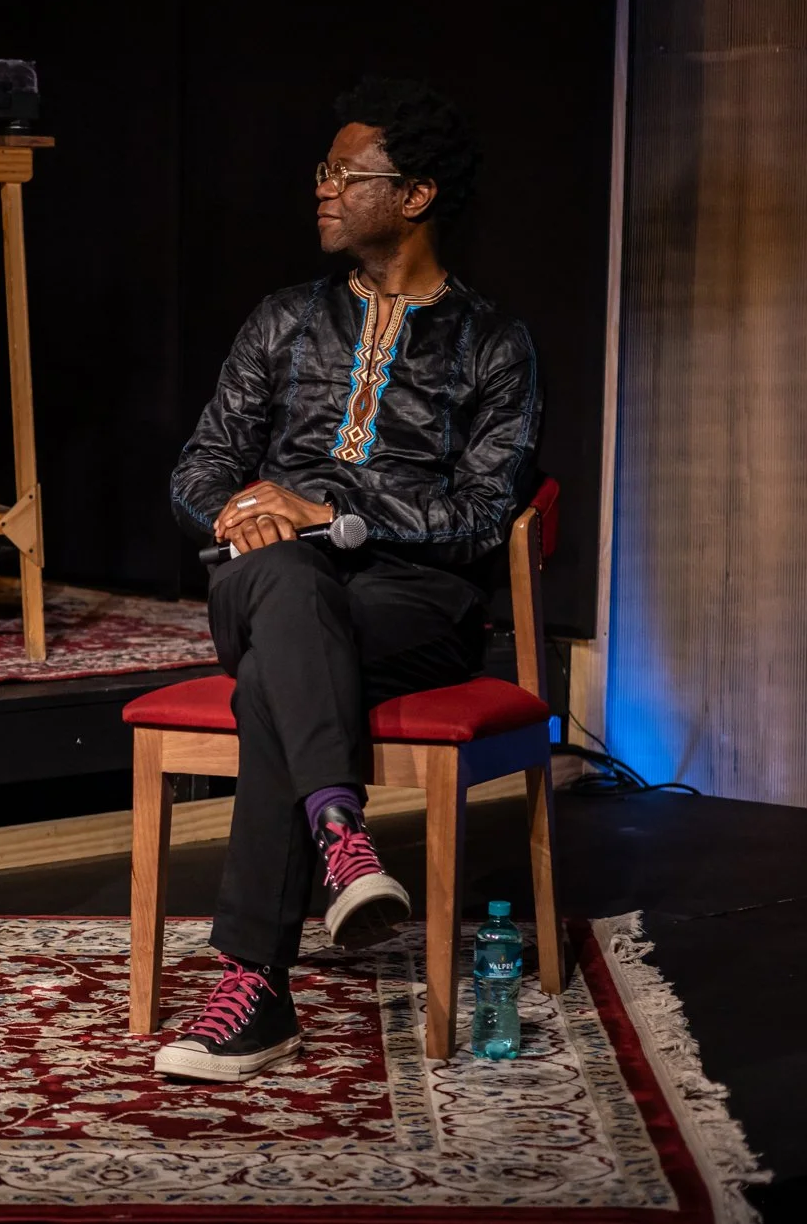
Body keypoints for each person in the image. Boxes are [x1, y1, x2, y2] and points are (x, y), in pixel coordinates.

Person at [157, 78, 541, 1082]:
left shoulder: (492, 344)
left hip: (411, 601)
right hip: (262, 575)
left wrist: (332, 509)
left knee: (274, 678)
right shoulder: (284, 319)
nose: (321, 187)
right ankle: (340, 833)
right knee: (286, 584)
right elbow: (200, 465)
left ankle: (257, 986)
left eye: (344, 172)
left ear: (414, 196)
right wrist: (248, 509)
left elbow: (479, 515)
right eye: (322, 170)